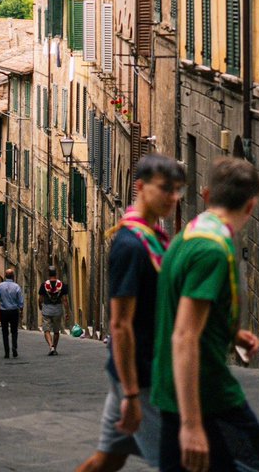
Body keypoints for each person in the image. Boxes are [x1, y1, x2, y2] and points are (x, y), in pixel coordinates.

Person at [152, 156, 259, 472]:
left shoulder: (189, 235)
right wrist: (192, 425)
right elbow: (184, 335)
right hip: (208, 398)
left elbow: (185, 304)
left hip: (173, 393)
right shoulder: (213, 250)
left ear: (206, 195)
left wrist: (229, 331)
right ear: (251, 206)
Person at [74, 153, 186, 472]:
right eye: (166, 188)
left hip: (138, 371)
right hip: (143, 377)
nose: (173, 197)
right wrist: (132, 394)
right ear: (140, 187)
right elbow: (120, 325)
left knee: (108, 460)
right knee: (177, 462)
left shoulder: (152, 238)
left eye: (178, 190)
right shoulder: (131, 245)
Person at [0, 268, 24, 359]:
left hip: (4, 312)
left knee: (4, 332)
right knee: (14, 331)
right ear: (13, 276)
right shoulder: (17, 287)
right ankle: (14, 347)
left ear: (5, 276)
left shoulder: (0, 286)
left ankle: (6, 352)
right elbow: (20, 301)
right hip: (14, 311)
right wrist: (21, 311)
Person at [38, 264, 70, 355]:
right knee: (56, 331)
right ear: (56, 274)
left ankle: (51, 346)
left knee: (46, 330)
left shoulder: (44, 285)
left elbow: (40, 299)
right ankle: (54, 348)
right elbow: (65, 300)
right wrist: (67, 312)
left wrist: (40, 306)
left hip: (47, 309)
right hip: (58, 310)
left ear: (49, 274)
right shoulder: (61, 285)